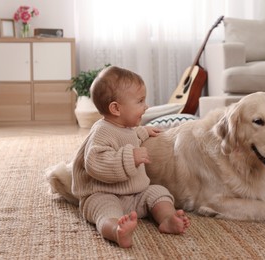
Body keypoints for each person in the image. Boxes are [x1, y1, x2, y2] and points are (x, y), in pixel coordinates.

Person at [71, 66, 190, 248]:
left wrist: (143, 131)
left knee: (157, 192)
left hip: (134, 195)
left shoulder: (126, 128)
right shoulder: (101, 131)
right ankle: (116, 230)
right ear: (116, 109)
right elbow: (95, 163)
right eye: (140, 101)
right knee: (106, 211)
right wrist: (129, 158)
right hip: (102, 194)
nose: (146, 106)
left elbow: (130, 137)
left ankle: (167, 218)